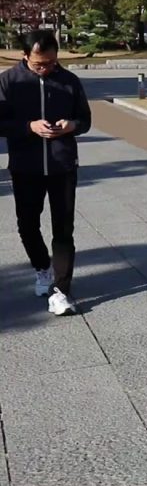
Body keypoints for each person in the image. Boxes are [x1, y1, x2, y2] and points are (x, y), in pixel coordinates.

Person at [0, 30, 92, 316]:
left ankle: (61, 291)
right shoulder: (9, 81)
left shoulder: (68, 81)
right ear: (25, 56)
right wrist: (29, 127)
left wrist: (71, 125)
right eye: (40, 64)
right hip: (25, 166)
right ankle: (42, 269)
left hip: (62, 165)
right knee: (27, 224)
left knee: (64, 229)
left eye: (51, 62)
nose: (46, 68)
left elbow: (85, 119)